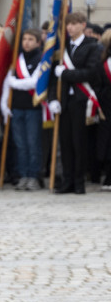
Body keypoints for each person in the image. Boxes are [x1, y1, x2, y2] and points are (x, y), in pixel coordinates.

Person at [52, 12, 102, 194]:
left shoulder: (92, 47)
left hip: (82, 100)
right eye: (68, 24)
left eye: (74, 24)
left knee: (79, 143)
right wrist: (52, 99)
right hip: (65, 100)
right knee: (65, 143)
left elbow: (90, 73)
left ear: (83, 25)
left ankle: (79, 182)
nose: (70, 28)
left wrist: (65, 74)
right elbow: (53, 77)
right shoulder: (63, 47)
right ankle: (67, 181)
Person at [0, 28, 45, 191]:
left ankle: (33, 176)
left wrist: (15, 83)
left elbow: (34, 82)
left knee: (33, 143)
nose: (26, 42)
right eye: (24, 39)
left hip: (33, 107)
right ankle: (23, 175)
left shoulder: (41, 58)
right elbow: (7, 83)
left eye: (31, 39)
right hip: (17, 107)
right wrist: (4, 105)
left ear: (38, 42)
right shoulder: (17, 59)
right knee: (20, 144)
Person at [94, 29, 111, 190]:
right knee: (106, 141)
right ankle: (107, 174)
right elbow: (98, 85)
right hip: (107, 105)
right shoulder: (102, 63)